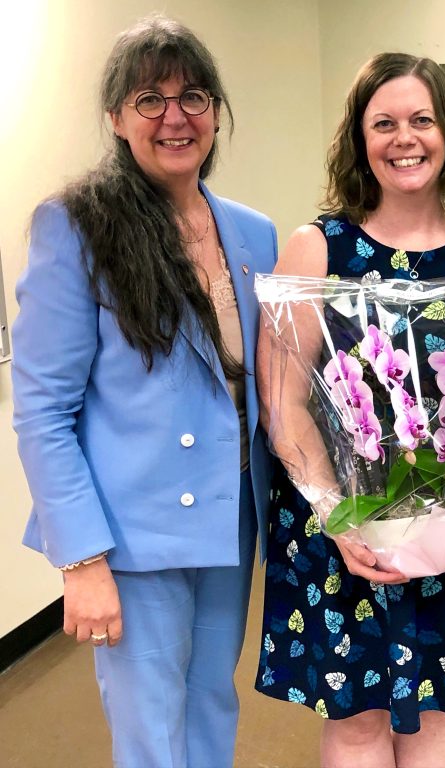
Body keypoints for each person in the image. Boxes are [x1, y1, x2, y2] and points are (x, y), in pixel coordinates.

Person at [11, 14, 276, 768]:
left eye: (192, 95)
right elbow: (42, 410)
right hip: (131, 534)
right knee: (150, 727)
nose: (174, 117)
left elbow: (266, 381)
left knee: (210, 701)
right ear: (115, 118)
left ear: (216, 112)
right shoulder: (77, 227)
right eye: (148, 99)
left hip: (231, 516)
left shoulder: (251, 232)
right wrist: (82, 561)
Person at [255, 53, 445, 768]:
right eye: (384, 123)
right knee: (359, 722)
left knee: (438, 717)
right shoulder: (316, 249)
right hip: (349, 532)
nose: (405, 138)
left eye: (421, 120)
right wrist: (340, 519)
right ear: (359, 140)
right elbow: (283, 404)